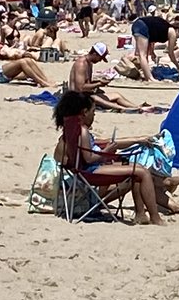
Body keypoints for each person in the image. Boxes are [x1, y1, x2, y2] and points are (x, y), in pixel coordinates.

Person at [53, 89, 163, 223]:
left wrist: (136, 140)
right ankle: (155, 217)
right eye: (93, 112)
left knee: (137, 168)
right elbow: (89, 158)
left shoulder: (71, 129)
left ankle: (141, 214)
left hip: (84, 170)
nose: (94, 116)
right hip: (90, 172)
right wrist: (108, 151)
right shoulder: (83, 131)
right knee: (142, 172)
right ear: (84, 112)